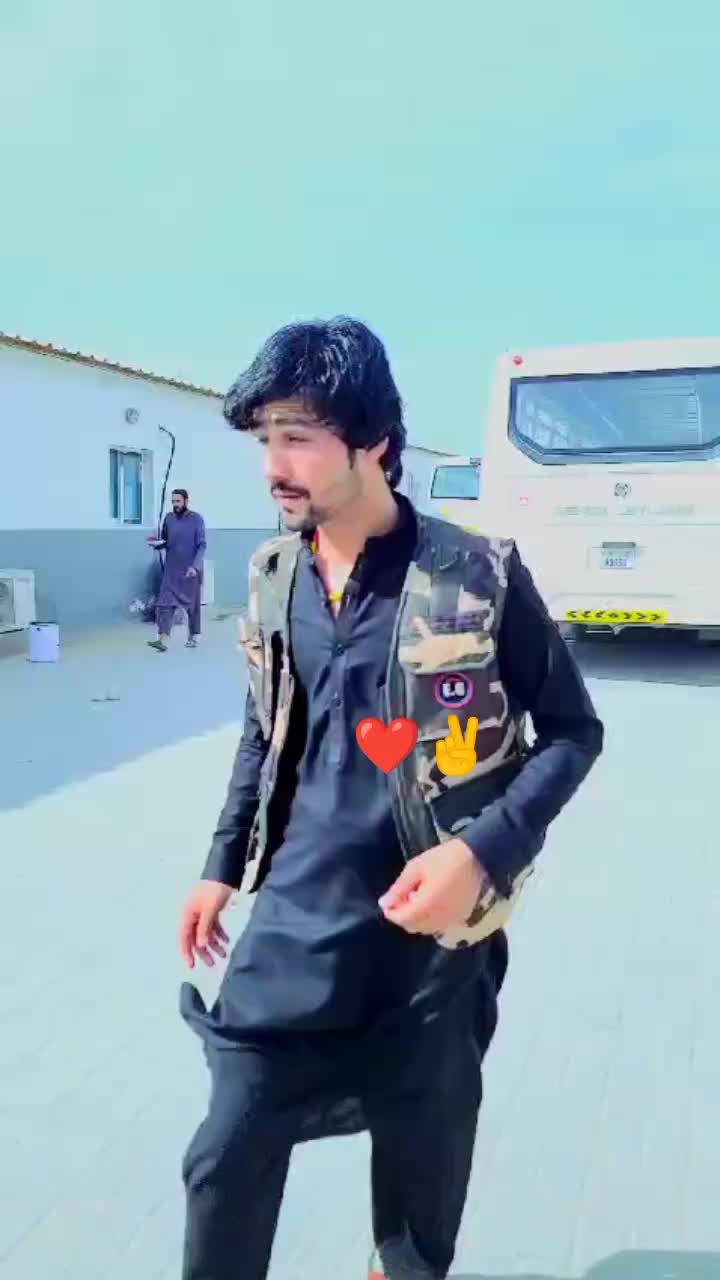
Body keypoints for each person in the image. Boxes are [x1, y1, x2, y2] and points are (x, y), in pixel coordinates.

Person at [177, 317, 604, 1280]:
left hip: (433, 937)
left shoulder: (478, 575)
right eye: (265, 440)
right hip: (294, 923)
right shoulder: (273, 574)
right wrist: (219, 865)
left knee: (418, 1192)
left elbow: (574, 733)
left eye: (297, 437)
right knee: (224, 1158)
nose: (273, 466)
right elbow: (265, 732)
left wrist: (479, 852)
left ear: (372, 441)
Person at [147, 489, 206, 652]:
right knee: (164, 604)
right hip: (171, 569)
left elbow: (202, 545)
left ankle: (194, 635)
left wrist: (195, 566)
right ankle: (163, 639)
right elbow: (165, 541)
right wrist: (156, 544)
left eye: (178, 501)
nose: (175, 505)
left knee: (192, 606)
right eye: (173, 502)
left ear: (186, 501)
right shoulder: (169, 518)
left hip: (190, 570)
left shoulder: (196, 519)